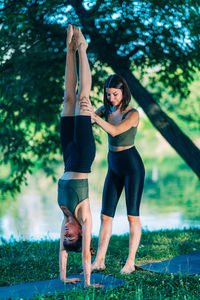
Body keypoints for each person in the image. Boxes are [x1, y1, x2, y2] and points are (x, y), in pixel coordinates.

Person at [80, 74, 145, 274]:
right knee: (106, 216)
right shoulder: (105, 110)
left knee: (132, 216)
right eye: (108, 94)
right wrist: (85, 111)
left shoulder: (132, 113)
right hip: (114, 166)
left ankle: (130, 262)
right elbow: (87, 121)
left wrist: (95, 117)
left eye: (115, 94)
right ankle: (99, 260)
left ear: (124, 92)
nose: (111, 98)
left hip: (132, 167)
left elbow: (116, 131)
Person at [57, 24, 97, 288]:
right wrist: (86, 282)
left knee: (68, 98)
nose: (67, 234)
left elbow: (61, 252)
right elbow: (85, 254)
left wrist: (62, 277)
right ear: (81, 234)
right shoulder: (84, 217)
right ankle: (82, 47)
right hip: (83, 154)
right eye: (72, 237)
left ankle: (69, 49)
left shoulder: (64, 216)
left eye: (65, 237)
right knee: (83, 97)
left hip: (67, 155)